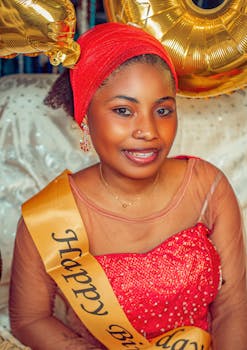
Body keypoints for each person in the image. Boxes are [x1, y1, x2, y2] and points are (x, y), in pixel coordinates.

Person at [9, 22, 247, 350]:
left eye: (162, 110)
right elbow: (30, 319)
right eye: (124, 110)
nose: (148, 130)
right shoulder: (48, 216)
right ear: (85, 117)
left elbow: (233, 305)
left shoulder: (207, 187)